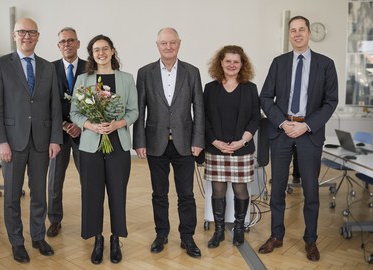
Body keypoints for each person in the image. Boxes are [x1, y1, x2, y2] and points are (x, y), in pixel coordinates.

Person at [258, 15, 338, 261]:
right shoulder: (279, 63)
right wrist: (283, 122)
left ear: (309, 33)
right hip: (282, 133)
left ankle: (311, 241)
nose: (297, 34)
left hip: (308, 134)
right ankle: (276, 235)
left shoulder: (325, 64)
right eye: (293, 30)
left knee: (311, 192)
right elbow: (265, 98)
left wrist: (307, 126)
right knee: (278, 189)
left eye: (301, 30)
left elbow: (330, 102)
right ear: (289, 35)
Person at [0, 18, 63, 263]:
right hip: (13, 142)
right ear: (14, 35)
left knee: (39, 193)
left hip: (42, 141)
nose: (26, 36)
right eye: (22, 32)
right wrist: (1, 141)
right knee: (11, 196)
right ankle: (17, 242)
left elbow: (55, 107)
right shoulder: (1, 65)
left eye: (31, 32)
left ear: (38, 36)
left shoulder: (47, 67)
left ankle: (38, 237)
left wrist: (55, 139)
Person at [133, 27, 205, 258]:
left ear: (179, 44)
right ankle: (161, 234)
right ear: (157, 45)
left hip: (185, 143)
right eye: (164, 43)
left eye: (172, 42)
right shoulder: (145, 72)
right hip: (155, 143)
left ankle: (187, 237)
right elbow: (140, 109)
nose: (168, 47)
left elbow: (199, 109)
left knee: (186, 194)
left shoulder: (192, 72)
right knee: (159, 193)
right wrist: (139, 141)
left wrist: (198, 140)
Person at [70, 34, 138, 265]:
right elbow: (75, 113)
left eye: (105, 48)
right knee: (92, 194)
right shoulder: (83, 79)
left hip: (118, 144)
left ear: (112, 51)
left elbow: (134, 111)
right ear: (92, 54)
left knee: (117, 193)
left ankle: (116, 238)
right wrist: (91, 125)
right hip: (90, 145)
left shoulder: (127, 79)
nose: (101, 53)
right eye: (96, 50)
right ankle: (97, 239)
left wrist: (118, 124)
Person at [203, 45, 260, 248]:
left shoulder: (250, 88)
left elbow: (255, 118)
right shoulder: (210, 88)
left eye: (236, 61)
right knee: (217, 191)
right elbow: (204, 119)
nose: (232, 65)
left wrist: (242, 141)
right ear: (221, 63)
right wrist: (215, 142)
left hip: (241, 148)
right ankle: (218, 232)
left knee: (240, 190)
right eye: (228, 61)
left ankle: (238, 230)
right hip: (216, 148)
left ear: (242, 64)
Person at [47, 27, 86, 237]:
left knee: (88, 179)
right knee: (54, 180)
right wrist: (64, 125)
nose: (67, 44)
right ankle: (54, 220)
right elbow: (45, 103)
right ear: (58, 46)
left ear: (78, 43)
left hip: (84, 132)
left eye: (71, 40)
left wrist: (81, 124)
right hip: (58, 133)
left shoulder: (90, 68)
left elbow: (99, 99)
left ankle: (89, 219)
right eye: (63, 41)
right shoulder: (49, 69)